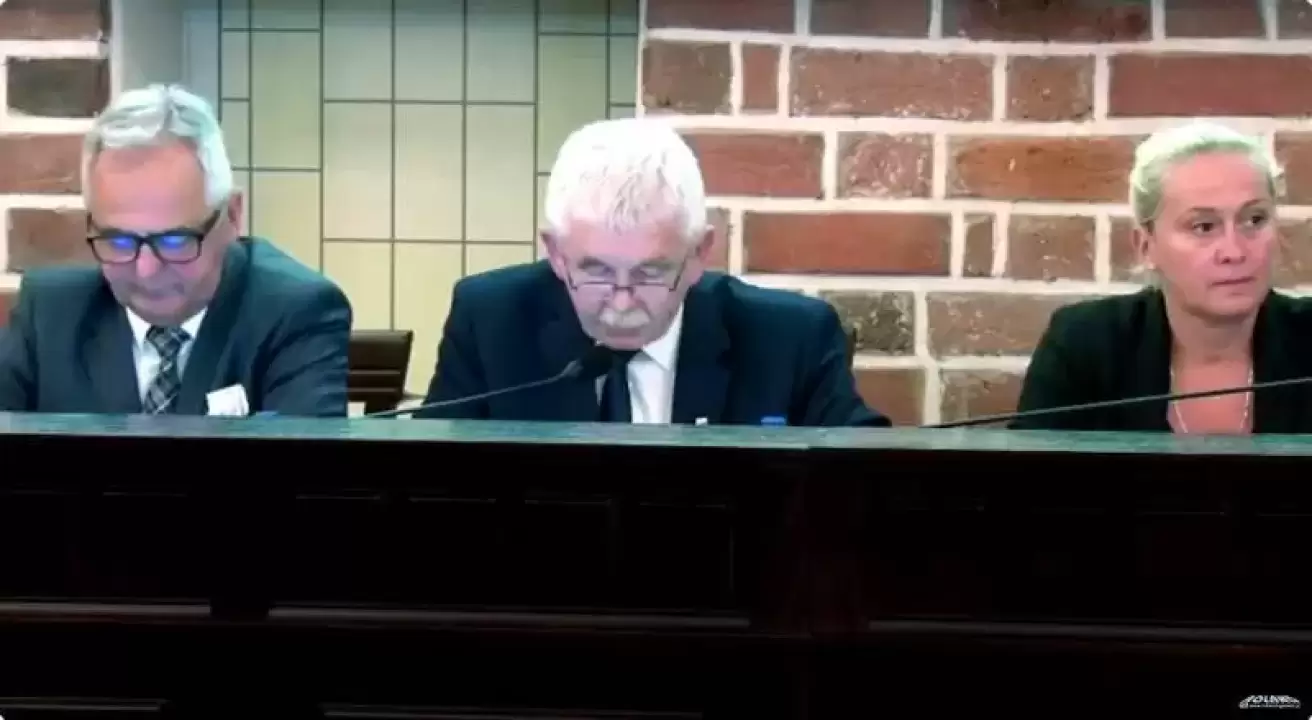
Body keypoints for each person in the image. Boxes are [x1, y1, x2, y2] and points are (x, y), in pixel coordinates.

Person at [417, 117, 887, 426]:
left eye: (651, 273)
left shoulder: (790, 339)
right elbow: (430, 485)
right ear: (556, 253)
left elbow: (868, 478)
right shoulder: (491, 320)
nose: (622, 302)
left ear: (700, 253)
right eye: (597, 271)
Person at [0, 84, 352, 417]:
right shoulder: (49, 314)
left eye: (175, 241)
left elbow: (302, 462)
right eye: (120, 241)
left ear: (232, 216)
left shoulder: (295, 313)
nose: (146, 271)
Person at [1013, 121, 1312, 433]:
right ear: (1146, 246)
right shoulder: (1086, 344)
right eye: (1203, 227)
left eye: (1254, 220)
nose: (1234, 251)